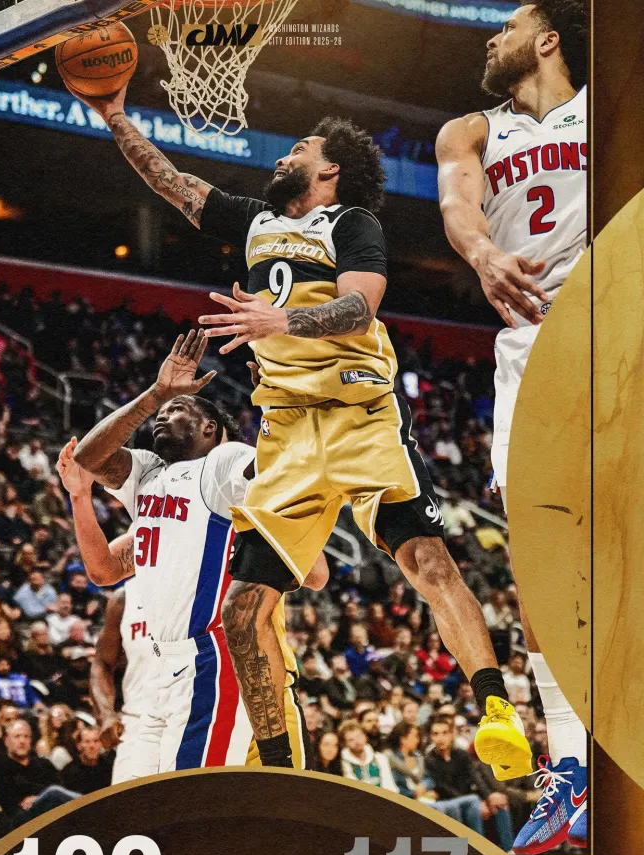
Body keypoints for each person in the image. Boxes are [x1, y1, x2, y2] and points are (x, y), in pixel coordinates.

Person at [66, 82, 520, 772]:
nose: (285, 155)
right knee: (243, 610)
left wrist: (280, 320)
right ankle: (281, 769)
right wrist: (114, 116)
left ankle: (496, 709)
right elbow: (170, 182)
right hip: (287, 429)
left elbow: (360, 309)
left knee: (425, 560)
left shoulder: (351, 224)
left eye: (300, 148)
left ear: (329, 169)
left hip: (358, 415)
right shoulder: (255, 222)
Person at [436, 0, 589, 853]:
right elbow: (458, 204)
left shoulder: (609, 113)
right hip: (528, 353)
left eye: (509, 23)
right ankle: (570, 763)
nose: (492, 36)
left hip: (609, 329)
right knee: (538, 562)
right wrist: (483, 252)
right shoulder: (471, 131)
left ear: (549, 38)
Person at [64, 332, 327, 774]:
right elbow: (88, 460)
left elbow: (280, 485)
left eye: (178, 410)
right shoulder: (149, 473)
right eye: (161, 413)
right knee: (186, 800)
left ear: (211, 429)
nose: (162, 416)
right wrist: (157, 393)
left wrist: (280, 411)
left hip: (215, 655)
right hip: (165, 667)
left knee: (193, 800)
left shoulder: (223, 463)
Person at [89, 576, 156, 785]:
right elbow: (102, 662)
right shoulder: (126, 597)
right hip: (138, 720)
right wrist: (107, 715)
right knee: (127, 802)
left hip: (192, 718)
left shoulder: (205, 587)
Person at [0, 720, 78, 827]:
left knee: (55, 794)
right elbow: (4, 800)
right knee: (53, 792)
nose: (22, 741)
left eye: (26, 737)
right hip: (22, 819)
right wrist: (39, 798)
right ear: (6, 741)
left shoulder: (44, 764)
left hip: (53, 813)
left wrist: (38, 798)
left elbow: (62, 790)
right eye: (17, 736)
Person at [338, 720, 398, 790]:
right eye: (351, 740)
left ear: (365, 736)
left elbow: (390, 786)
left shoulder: (379, 758)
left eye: (359, 736)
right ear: (345, 743)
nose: (357, 742)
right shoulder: (343, 764)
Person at [61, 726, 115, 795]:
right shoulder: (69, 772)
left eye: (96, 741)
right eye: (87, 742)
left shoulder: (109, 767)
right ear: (79, 746)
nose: (92, 746)